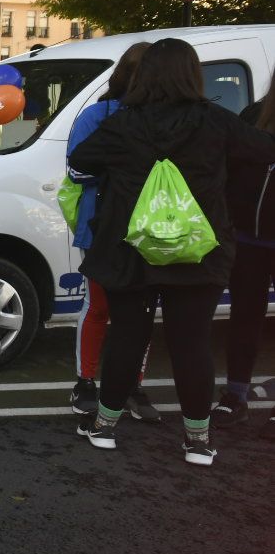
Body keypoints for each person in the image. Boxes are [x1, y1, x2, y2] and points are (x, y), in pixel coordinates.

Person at [67, 37, 275, 465]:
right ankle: (198, 439)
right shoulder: (215, 121)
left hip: (131, 249)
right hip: (197, 250)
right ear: (192, 74)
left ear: (144, 77)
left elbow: (79, 163)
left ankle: (105, 427)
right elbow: (263, 152)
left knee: (127, 334)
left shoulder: (124, 123)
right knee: (191, 341)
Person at [65, 42, 157, 421]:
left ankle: (132, 384)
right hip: (101, 228)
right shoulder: (96, 116)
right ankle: (86, 381)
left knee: (143, 313)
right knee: (100, 307)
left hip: (152, 229)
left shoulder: (165, 118)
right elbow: (76, 171)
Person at [219, 70, 275, 431]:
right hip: (248, 240)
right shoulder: (253, 115)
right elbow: (227, 170)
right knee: (244, 318)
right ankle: (235, 395)